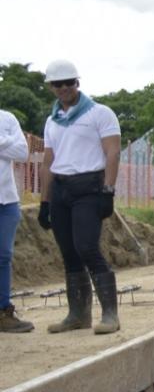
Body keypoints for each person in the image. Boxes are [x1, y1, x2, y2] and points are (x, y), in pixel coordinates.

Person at [37, 59, 122, 335]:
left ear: (77, 83)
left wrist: (108, 190)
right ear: (51, 87)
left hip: (89, 188)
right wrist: (45, 201)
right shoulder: (53, 121)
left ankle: (110, 314)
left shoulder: (100, 113)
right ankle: (78, 314)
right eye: (57, 84)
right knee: (69, 253)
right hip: (61, 190)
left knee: (87, 247)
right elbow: (48, 161)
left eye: (68, 83)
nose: (63, 88)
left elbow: (112, 152)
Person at [0, 108, 33, 333]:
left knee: (4, 256)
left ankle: (3, 312)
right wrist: (7, 142)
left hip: (7, 200)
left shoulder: (7, 118)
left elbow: (22, 152)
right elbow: (14, 148)